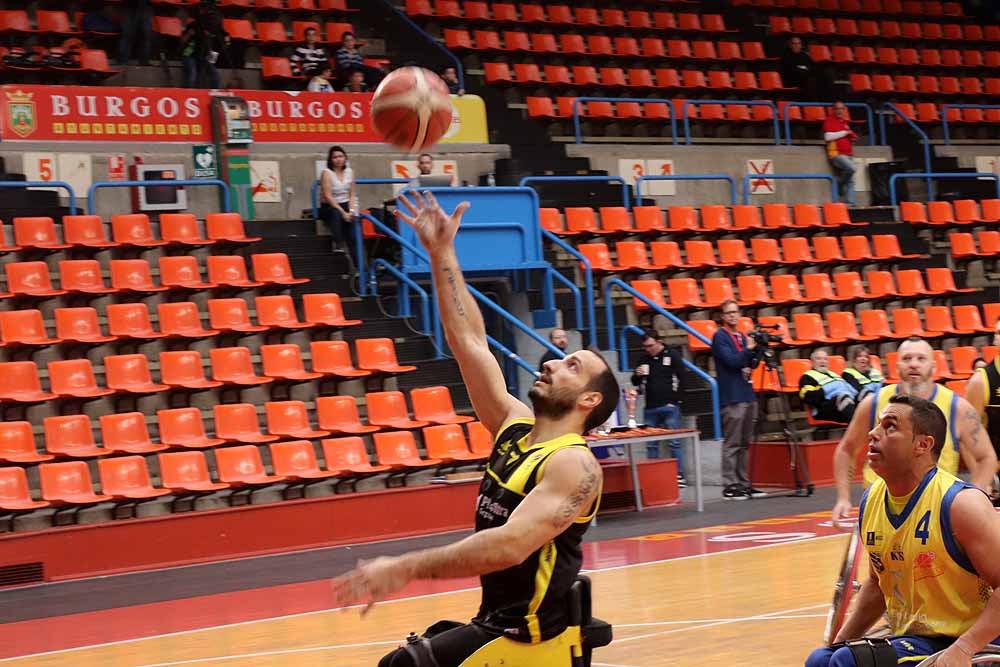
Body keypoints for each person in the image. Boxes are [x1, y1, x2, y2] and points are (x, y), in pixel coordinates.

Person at [333, 190, 620, 667]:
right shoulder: (512, 426)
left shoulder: (575, 464)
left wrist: (404, 567)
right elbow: (468, 340)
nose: (551, 362)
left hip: (530, 640)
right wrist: (441, 251)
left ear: (590, 400)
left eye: (571, 365)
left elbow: (508, 546)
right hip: (494, 623)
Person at [805, 394, 1000, 667]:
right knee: (821, 660)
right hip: (916, 638)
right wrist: (837, 643)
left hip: (976, 642)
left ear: (922, 444)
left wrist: (964, 649)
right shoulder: (872, 499)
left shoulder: (961, 504)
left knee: (848, 662)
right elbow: (877, 585)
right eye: (876, 425)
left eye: (889, 426)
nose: (873, 433)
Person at [830, 337, 997, 525]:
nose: (914, 364)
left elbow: (986, 456)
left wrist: (975, 496)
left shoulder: (956, 407)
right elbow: (846, 450)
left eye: (921, 359)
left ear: (933, 366)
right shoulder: (873, 403)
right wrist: (843, 498)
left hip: (935, 508)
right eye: (907, 358)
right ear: (897, 365)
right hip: (882, 507)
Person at [711, 300, 763, 500]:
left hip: (747, 392)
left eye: (735, 312)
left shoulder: (742, 336)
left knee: (744, 443)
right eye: (728, 313)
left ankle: (743, 482)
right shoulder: (720, 337)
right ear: (723, 316)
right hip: (732, 395)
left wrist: (755, 351)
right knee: (732, 442)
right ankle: (730, 484)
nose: (732, 316)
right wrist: (749, 350)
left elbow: (750, 362)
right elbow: (733, 362)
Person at [631, 330, 687, 484]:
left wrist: (676, 400)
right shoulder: (643, 359)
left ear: (659, 342)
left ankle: (679, 475)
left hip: (669, 406)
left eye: (651, 345)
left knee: (674, 442)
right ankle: (653, 475)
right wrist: (637, 374)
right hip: (650, 407)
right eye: (646, 347)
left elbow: (682, 377)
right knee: (651, 444)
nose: (648, 349)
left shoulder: (672, 355)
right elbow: (635, 382)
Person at [799, 348, 858, 424]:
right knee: (844, 398)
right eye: (818, 359)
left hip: (844, 404)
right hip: (824, 408)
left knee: (865, 403)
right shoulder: (807, 376)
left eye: (825, 359)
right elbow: (808, 397)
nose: (823, 361)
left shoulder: (834, 375)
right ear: (812, 362)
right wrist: (828, 389)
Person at [318, 145, 357, 257]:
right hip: (329, 206)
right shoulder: (326, 172)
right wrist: (343, 213)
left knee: (353, 235)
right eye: (335, 157)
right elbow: (328, 196)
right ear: (331, 160)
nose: (338, 159)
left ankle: (360, 269)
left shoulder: (350, 172)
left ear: (345, 158)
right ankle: (337, 242)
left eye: (341, 156)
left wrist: (351, 211)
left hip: (346, 204)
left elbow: (352, 194)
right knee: (336, 213)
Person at [180, 4, 228, 89]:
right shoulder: (195, 25)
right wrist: (189, 34)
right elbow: (182, 40)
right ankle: (188, 94)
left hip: (205, 55)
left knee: (215, 75)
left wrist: (226, 40)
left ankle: (214, 94)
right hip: (190, 54)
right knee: (192, 74)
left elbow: (223, 39)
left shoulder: (216, 28)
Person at [824, 101, 858, 207]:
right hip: (836, 153)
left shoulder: (844, 122)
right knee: (852, 169)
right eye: (837, 108)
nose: (840, 111)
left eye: (842, 109)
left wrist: (852, 136)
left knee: (851, 180)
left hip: (848, 153)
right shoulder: (829, 121)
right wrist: (845, 133)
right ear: (833, 110)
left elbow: (850, 135)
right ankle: (839, 183)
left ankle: (850, 203)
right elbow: (827, 137)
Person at [118, 0, 152, 66]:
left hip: (145, 6)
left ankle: (144, 61)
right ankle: (123, 61)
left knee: (146, 34)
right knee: (127, 34)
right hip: (128, 6)